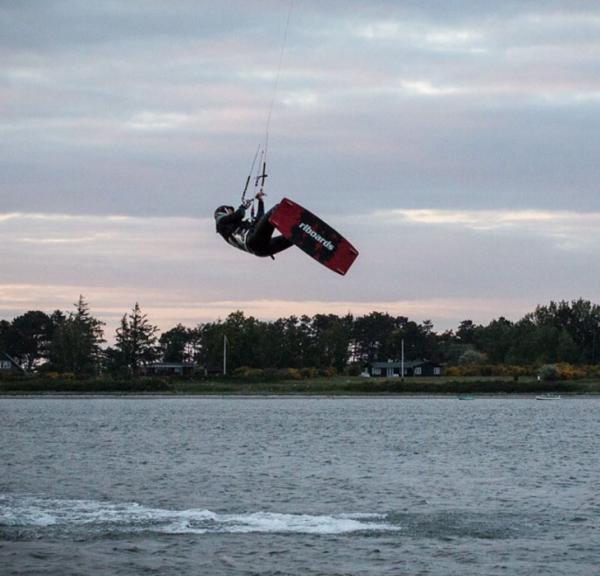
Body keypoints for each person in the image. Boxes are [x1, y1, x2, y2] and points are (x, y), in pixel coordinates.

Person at [214, 192, 293, 257]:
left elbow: (260, 219)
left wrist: (260, 202)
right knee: (276, 209)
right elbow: (240, 214)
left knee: (292, 237)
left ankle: (303, 233)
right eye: (230, 211)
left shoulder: (235, 227)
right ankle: (295, 219)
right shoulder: (221, 223)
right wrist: (243, 206)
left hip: (260, 250)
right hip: (253, 241)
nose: (233, 212)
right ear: (224, 212)